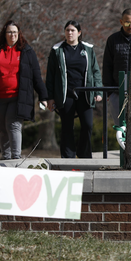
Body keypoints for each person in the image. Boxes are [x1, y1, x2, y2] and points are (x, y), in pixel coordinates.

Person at [0, 20, 48, 160]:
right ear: (4, 34)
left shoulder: (27, 51)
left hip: (18, 97)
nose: (12, 35)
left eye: (15, 32)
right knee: (2, 128)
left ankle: (16, 158)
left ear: (19, 34)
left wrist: (43, 96)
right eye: (9, 32)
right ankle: (6, 158)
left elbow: (36, 76)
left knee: (13, 125)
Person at [45, 20, 103, 158]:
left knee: (88, 125)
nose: (69, 33)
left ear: (79, 33)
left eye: (72, 30)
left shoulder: (88, 49)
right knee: (67, 127)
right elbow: (50, 75)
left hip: (85, 94)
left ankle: (83, 154)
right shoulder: (57, 50)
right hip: (66, 94)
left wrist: (98, 91)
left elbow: (95, 71)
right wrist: (50, 97)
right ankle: (68, 157)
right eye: (67, 30)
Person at [103, 9, 131, 127]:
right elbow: (107, 66)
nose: (130, 26)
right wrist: (109, 92)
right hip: (117, 92)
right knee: (120, 129)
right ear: (121, 22)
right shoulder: (113, 40)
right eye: (127, 23)